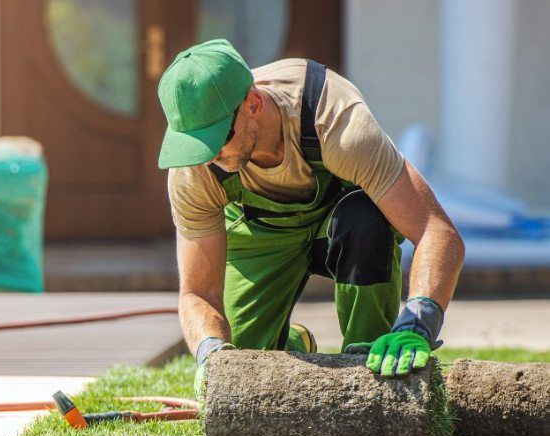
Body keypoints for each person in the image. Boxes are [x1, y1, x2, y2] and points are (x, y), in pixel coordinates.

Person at [157, 40, 464, 396]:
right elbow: (197, 292)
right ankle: (293, 343)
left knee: (364, 218)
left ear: (253, 104)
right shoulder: (194, 169)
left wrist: (419, 320)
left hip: (339, 225)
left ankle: (369, 366)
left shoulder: (336, 121)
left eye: (218, 139)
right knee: (239, 371)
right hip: (260, 233)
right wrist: (210, 353)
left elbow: (436, 231)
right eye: (196, 144)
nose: (209, 157)